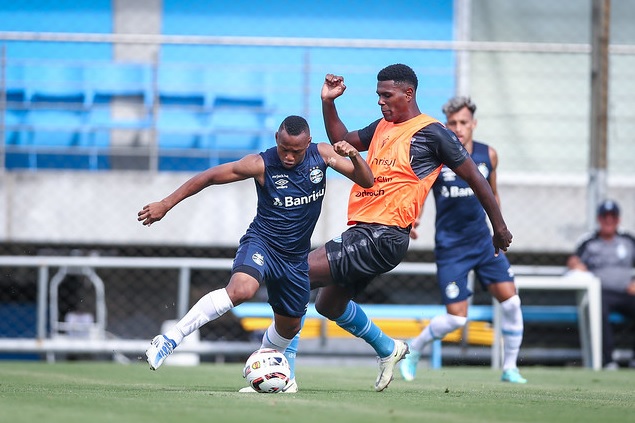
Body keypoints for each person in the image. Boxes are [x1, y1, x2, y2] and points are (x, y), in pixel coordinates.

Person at [263, 64, 513, 393]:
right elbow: (341, 141)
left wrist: (499, 227)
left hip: (382, 235)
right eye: (378, 95)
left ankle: (282, 374)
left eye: (387, 95)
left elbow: (475, 177)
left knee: (296, 274)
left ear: (408, 94)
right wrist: (328, 102)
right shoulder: (382, 126)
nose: (381, 102)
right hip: (367, 233)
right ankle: (388, 349)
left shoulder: (433, 132)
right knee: (328, 305)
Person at [139, 115, 374, 393]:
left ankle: (263, 372)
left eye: (296, 151)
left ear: (308, 143)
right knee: (241, 289)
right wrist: (165, 204)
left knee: (289, 327)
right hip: (262, 243)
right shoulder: (260, 164)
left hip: (296, 259)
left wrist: (355, 157)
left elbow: (367, 181)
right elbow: (210, 177)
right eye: (284, 148)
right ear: (277, 138)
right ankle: (170, 339)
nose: (288, 156)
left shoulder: (322, 155)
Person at [398, 96, 526, 384]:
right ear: (446, 125)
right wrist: (412, 219)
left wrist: (499, 227)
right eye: (453, 123)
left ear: (473, 124)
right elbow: (418, 192)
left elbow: (492, 194)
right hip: (451, 248)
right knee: (457, 318)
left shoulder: (488, 155)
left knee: (512, 302)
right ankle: (414, 350)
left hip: (483, 243)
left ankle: (510, 368)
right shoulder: (437, 158)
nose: (458, 128)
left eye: (463, 123)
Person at [567, 199, 635, 369]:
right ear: (599, 219)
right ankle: (608, 360)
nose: (608, 221)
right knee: (599, 309)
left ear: (618, 219)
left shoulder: (628, 240)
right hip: (600, 293)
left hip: (627, 292)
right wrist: (576, 265)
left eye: (612, 217)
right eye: (605, 217)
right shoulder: (589, 242)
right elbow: (574, 261)